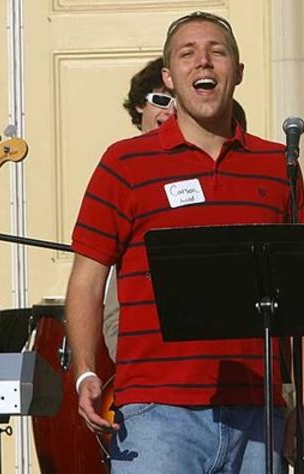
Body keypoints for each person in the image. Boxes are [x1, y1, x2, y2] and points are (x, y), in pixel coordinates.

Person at [65, 11, 304, 473]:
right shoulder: (124, 163)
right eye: (188, 54)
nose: (203, 63)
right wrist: (85, 370)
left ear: (238, 72)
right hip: (156, 414)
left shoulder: (278, 164)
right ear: (169, 76)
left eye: (217, 52)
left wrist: (301, 397)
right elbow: (86, 278)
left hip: (259, 412)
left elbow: (296, 296)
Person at [103, 57, 247, 362]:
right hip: (153, 381)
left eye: (177, 102)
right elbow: (113, 318)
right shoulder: (119, 166)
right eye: (160, 100)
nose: (169, 110)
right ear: (140, 106)